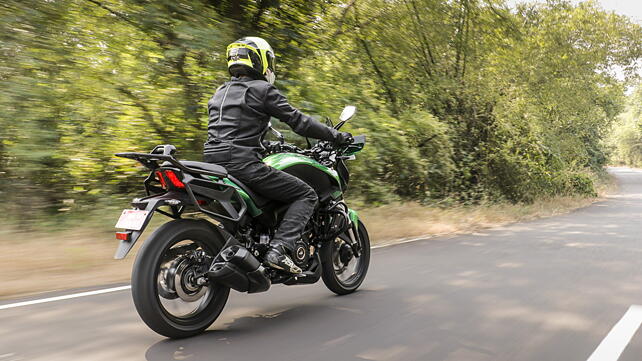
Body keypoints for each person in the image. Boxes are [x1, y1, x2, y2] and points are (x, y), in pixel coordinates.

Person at [204, 36, 352, 274]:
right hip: (243, 165)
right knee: (306, 194)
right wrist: (334, 136)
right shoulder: (262, 90)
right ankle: (279, 250)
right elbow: (299, 122)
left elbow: (234, 131)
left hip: (214, 164)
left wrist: (264, 146)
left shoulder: (221, 92)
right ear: (261, 61)